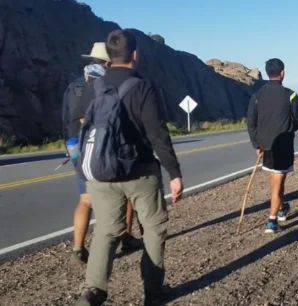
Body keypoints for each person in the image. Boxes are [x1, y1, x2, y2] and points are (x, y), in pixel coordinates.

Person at [75, 30, 184, 306]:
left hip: (101, 173)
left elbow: (80, 121)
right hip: (141, 173)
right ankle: (153, 292)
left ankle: (93, 291)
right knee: (154, 228)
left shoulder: (93, 87)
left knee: (106, 232)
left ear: (109, 57)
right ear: (135, 55)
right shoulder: (143, 87)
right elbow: (158, 135)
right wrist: (174, 173)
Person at [61, 42, 142, 266]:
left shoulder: (75, 85)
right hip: (105, 148)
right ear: (108, 62)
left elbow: (67, 116)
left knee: (85, 200)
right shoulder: (106, 84)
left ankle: (78, 248)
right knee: (125, 194)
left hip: (78, 148)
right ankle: (125, 237)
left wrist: (71, 148)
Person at [246, 58, 298, 234]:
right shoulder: (290, 94)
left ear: (267, 73)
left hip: (266, 145)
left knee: (274, 178)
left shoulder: (257, 95)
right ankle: (272, 221)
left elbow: (251, 121)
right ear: (282, 73)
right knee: (279, 179)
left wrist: (256, 144)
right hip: (283, 145)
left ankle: (281, 208)